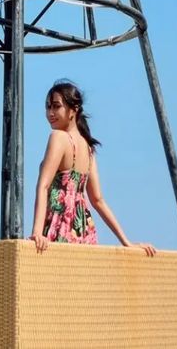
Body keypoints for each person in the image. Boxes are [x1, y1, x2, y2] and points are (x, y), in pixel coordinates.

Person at [29, 79, 155, 255]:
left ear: (74, 110)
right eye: (48, 107)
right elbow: (97, 201)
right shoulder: (88, 148)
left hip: (61, 226)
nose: (50, 112)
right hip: (82, 231)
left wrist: (36, 232)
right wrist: (126, 241)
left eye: (56, 106)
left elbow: (43, 186)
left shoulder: (58, 137)